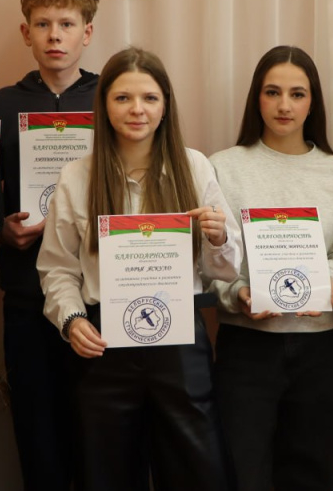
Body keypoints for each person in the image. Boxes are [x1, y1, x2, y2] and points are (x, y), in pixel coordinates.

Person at [37, 46, 241, 491]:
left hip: (180, 343)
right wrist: (72, 320)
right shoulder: (76, 177)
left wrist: (218, 237)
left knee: (200, 473)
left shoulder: (194, 166)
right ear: (104, 105)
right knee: (105, 474)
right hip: (103, 345)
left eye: (149, 98)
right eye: (122, 98)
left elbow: (226, 271)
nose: (137, 109)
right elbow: (57, 268)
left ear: (165, 105)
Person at [209, 45, 333, 491]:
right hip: (247, 346)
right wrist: (237, 293)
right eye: (272, 92)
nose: (284, 105)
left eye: (297, 94)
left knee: (313, 475)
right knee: (243, 474)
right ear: (256, 98)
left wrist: (331, 283)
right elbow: (208, 261)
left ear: (313, 102)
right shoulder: (223, 167)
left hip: (322, 348)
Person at [0, 0, 100, 490]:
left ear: (87, 32)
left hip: (98, 297)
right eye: (43, 24)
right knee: (38, 436)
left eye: (67, 24)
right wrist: (0, 230)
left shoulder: (113, 101)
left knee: (99, 436)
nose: (55, 36)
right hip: (27, 296)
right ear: (25, 32)